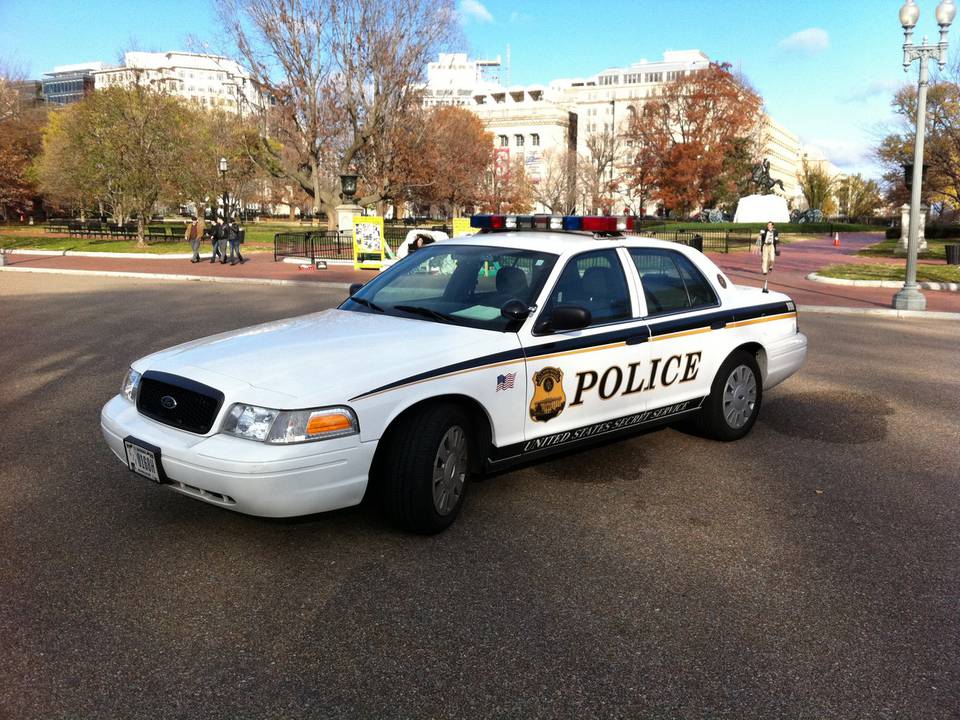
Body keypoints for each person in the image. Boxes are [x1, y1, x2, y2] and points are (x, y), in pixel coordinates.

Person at [756, 221, 780, 293]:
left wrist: (777, 240)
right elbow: (761, 236)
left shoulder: (776, 231)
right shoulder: (764, 230)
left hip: (772, 246)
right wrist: (761, 234)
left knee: (772, 259)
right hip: (765, 245)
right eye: (768, 225)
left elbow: (777, 240)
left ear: (772, 226)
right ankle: (764, 271)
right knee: (764, 259)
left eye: (770, 225)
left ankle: (770, 267)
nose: (768, 226)